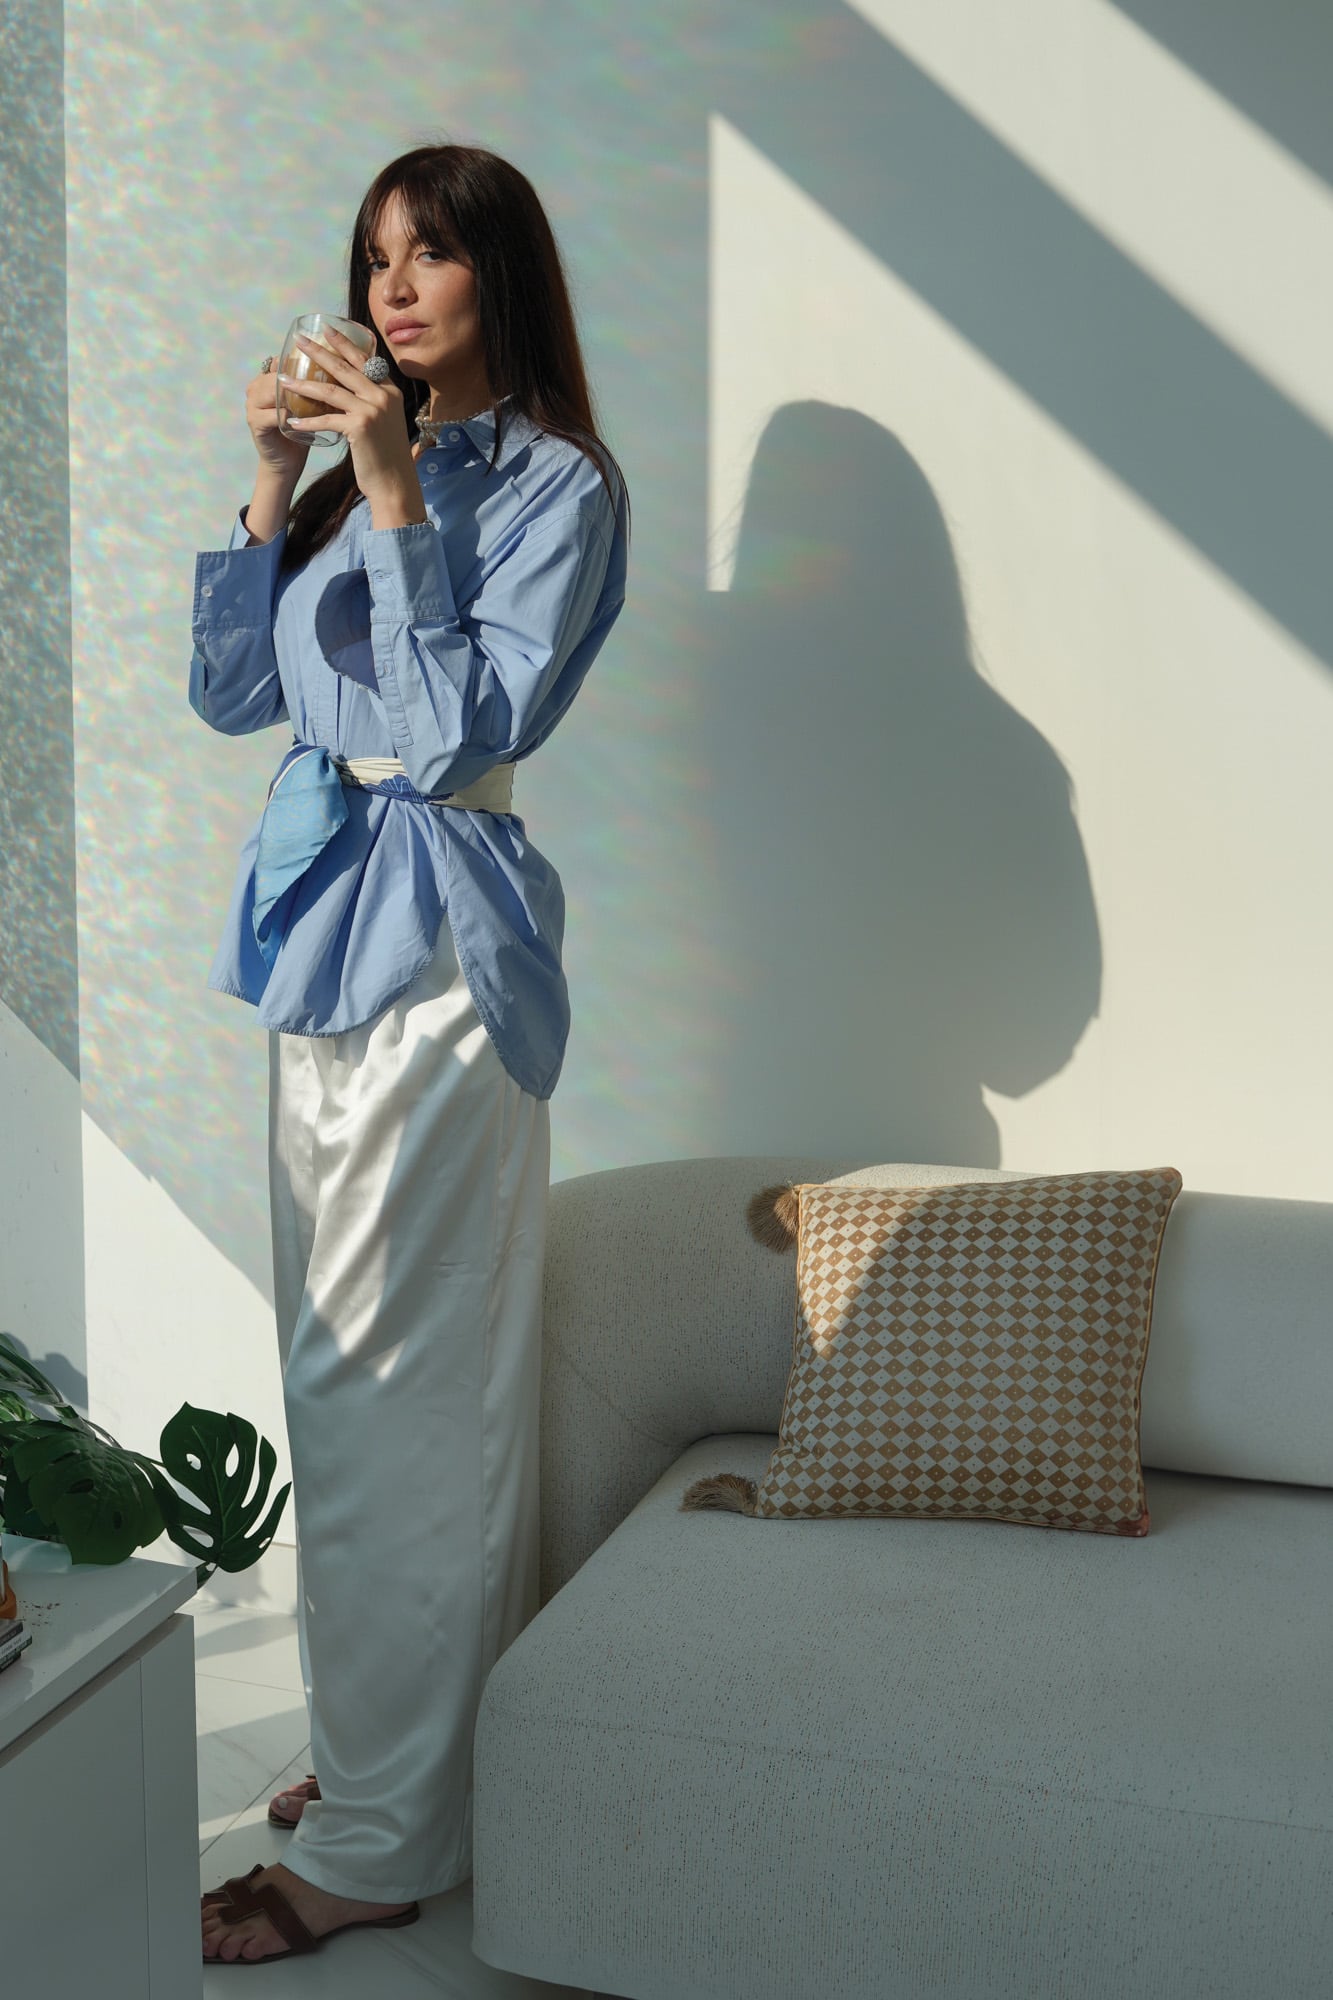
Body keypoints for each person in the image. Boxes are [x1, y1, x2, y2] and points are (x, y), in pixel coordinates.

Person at [192, 142, 629, 1966]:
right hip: (316, 932)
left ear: (495, 276)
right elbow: (236, 694)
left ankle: (379, 1844)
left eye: (429, 254)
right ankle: (395, 1761)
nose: (389, 285)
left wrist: (385, 492)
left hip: (443, 952)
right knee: (341, 1379)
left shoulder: (556, 483)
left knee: (402, 1386)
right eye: (374, 254)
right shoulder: (374, 462)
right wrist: (274, 480)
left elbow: (454, 736)